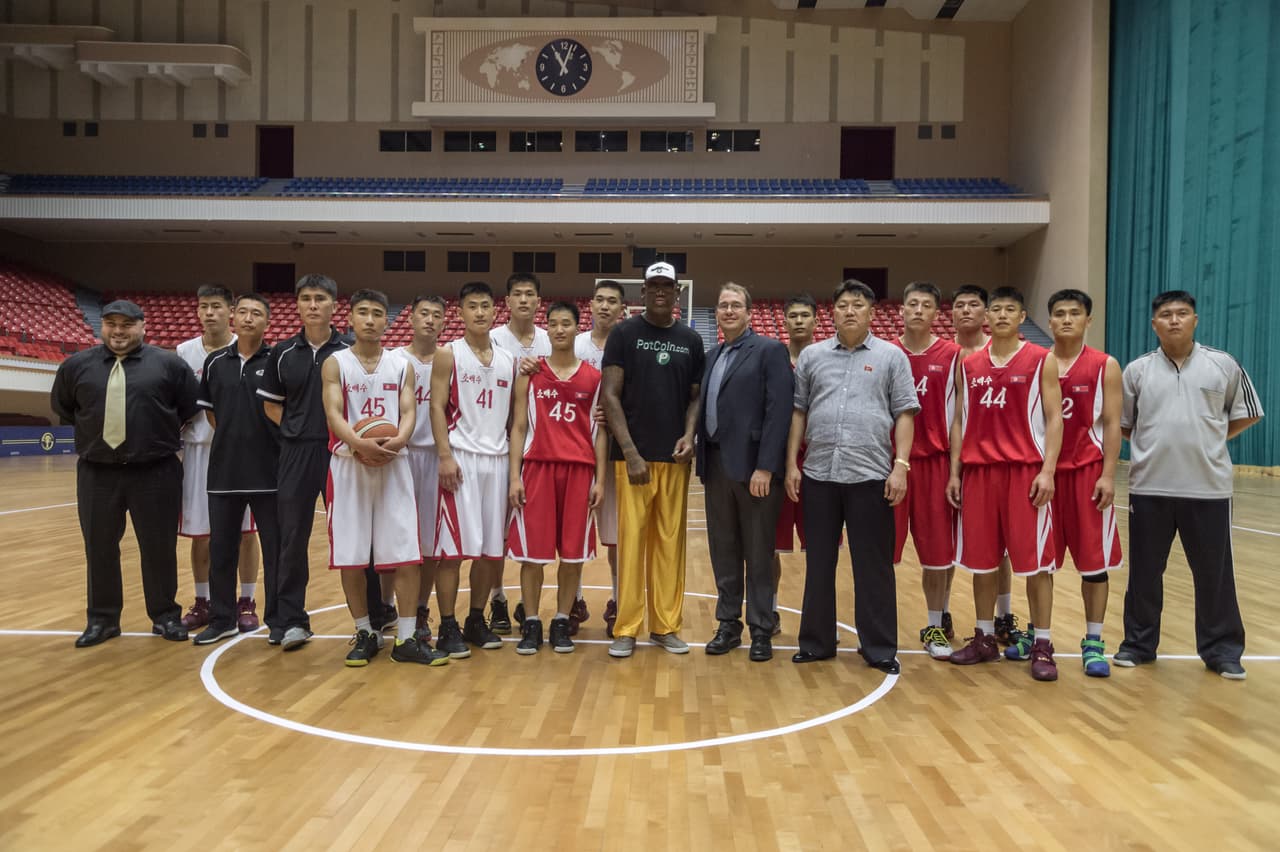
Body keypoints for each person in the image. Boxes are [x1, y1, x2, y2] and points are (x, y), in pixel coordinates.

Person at [1115, 290, 1263, 680]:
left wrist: (1210, 439)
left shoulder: (1222, 364)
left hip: (1208, 489)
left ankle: (1222, 651)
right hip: (1150, 488)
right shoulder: (1137, 371)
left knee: (1215, 575)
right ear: (1154, 324)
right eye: (1166, 315)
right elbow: (1125, 425)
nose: (1175, 320)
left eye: (1182, 313)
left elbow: (1247, 413)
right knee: (1145, 574)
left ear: (1195, 320)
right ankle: (1138, 645)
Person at [786, 280, 917, 673]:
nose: (849, 311)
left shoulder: (892, 357)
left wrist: (901, 465)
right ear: (833, 312)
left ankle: (879, 648)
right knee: (818, 563)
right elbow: (799, 412)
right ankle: (816, 642)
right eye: (842, 305)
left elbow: (905, 413)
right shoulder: (812, 356)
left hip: (871, 475)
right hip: (819, 474)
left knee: (873, 566)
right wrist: (792, 463)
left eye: (857, 305)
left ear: (872, 313)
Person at [51, 299, 200, 647]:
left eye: (127, 324)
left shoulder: (169, 365)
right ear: (102, 326)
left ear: (143, 326)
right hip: (97, 472)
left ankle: (165, 616)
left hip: (156, 470)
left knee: (159, 547)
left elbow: (188, 408)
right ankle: (102, 620)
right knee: (99, 547)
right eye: (111, 324)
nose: (118, 331)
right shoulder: (76, 366)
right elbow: (65, 408)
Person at [321, 289, 448, 667]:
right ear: (350, 319)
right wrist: (359, 443)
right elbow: (333, 413)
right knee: (352, 557)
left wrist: (397, 441)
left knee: (407, 554)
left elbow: (409, 412)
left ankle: (406, 637)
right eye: (363, 312)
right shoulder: (335, 363)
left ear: (387, 321)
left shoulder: (400, 365)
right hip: (349, 465)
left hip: (394, 463)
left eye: (378, 313)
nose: (371, 319)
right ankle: (365, 631)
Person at [947, 287, 1063, 681]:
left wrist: (1048, 471)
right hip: (980, 473)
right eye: (995, 309)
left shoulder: (1041, 359)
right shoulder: (969, 364)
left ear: (1021, 316)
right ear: (986, 317)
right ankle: (983, 638)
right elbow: (959, 420)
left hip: (1024, 472)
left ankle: (1042, 643)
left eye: (1009, 309)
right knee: (982, 562)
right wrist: (956, 472)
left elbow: (1054, 419)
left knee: (1037, 564)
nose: (1000, 315)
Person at [601, 261, 704, 658]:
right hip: (633, 462)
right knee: (630, 546)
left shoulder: (690, 339)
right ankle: (626, 628)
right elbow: (610, 395)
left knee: (669, 545)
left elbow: (695, 397)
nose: (661, 291)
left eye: (667, 286)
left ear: (677, 292)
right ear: (642, 292)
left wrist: (689, 436)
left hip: (675, 460)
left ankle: (665, 626)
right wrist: (630, 453)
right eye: (654, 285)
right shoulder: (623, 334)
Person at [697, 283, 793, 662]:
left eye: (736, 305)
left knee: (758, 552)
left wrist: (766, 466)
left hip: (755, 469)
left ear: (750, 313)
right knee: (723, 549)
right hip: (716, 464)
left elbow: (779, 412)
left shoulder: (769, 351)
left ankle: (761, 628)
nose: (728, 311)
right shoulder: (712, 355)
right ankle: (728, 624)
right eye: (723, 305)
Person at [257, 274, 351, 650]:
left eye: (320, 298)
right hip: (296, 453)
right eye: (307, 298)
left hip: (341, 452)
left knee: (354, 532)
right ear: (297, 304)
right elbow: (271, 405)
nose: (313, 305)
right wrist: (297, 428)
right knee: (291, 537)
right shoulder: (282, 352)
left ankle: (374, 616)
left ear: (334, 306)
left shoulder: (349, 350)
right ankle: (290, 619)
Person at [508, 301, 608, 655]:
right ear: (546, 329)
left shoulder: (594, 378)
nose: (560, 329)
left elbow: (600, 432)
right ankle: (532, 622)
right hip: (538, 468)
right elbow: (518, 427)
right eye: (553, 324)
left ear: (577, 328)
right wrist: (514, 476)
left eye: (566, 323)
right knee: (532, 556)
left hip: (579, 471)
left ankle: (562, 620)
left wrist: (600, 479)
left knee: (572, 555)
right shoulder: (531, 372)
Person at [429, 281, 517, 658]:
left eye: (485, 306)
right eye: (472, 306)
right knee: (452, 551)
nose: (479, 312)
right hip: (462, 458)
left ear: (495, 311)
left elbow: (515, 419)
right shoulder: (448, 354)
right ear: (460, 312)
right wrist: (444, 455)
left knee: (490, 552)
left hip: (498, 461)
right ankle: (447, 624)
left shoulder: (509, 360)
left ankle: (476, 619)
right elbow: (436, 407)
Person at [190, 294, 282, 646]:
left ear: (267, 322)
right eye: (242, 311)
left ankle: (278, 621)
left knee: (275, 550)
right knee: (222, 550)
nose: (247, 318)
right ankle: (222, 618)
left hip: (269, 469)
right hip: (224, 471)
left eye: (256, 313)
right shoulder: (215, 362)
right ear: (234, 317)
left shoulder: (276, 360)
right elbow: (212, 414)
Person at [1043, 289, 1123, 677]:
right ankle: (1039, 637)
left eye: (1075, 313)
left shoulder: (1105, 365)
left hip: (1087, 473)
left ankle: (1093, 640)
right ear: (1049, 321)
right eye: (1059, 313)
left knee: (1093, 563)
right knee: (1040, 562)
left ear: (1088, 320)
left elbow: (1113, 423)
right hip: (1043, 474)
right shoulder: (1038, 362)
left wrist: (1108, 474)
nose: (1067, 319)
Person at [176, 285, 261, 633]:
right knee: (201, 534)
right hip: (198, 450)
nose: (209, 312)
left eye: (216, 306)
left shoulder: (248, 348)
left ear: (231, 311)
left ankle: (247, 600)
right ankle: (204, 601)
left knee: (246, 532)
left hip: (241, 453)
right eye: (203, 306)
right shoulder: (183, 352)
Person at [892, 282, 961, 660]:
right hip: (889, 466)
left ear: (937, 313)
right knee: (880, 554)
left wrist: (955, 471)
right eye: (913, 304)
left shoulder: (952, 356)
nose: (918, 310)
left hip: (935, 464)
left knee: (937, 556)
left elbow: (958, 420)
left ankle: (935, 625)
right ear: (901, 310)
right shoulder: (886, 353)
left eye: (926, 305)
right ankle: (879, 627)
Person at [951, 284, 1022, 645]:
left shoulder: (1007, 354)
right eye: (959, 305)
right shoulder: (947, 353)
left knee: (1002, 548)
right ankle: (942, 614)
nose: (966, 310)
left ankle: (1003, 615)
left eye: (974, 304)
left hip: (1002, 461)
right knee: (950, 547)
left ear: (985, 312)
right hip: (955, 458)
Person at [488, 271, 552, 634]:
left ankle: (535, 604)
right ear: (508, 301)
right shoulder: (493, 339)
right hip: (499, 441)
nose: (524, 299)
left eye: (530, 294)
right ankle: (497, 597)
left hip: (540, 445)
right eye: (518, 294)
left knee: (538, 530)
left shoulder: (550, 338)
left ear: (538, 302)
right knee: (497, 529)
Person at [575, 279, 626, 636]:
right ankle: (574, 599)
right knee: (574, 532)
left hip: (615, 452)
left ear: (622, 309)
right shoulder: (573, 343)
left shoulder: (628, 344)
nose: (605, 306)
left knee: (616, 537)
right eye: (600, 300)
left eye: (612, 301)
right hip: (575, 448)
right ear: (590, 305)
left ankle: (618, 599)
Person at [398, 295, 448, 645]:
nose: (430, 320)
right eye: (424, 314)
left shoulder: (450, 360)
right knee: (396, 539)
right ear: (410, 318)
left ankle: (419, 608)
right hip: (399, 456)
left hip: (435, 456)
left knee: (429, 544)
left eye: (436, 315)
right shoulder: (394, 360)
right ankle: (388, 606)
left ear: (444, 322)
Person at [770, 293, 819, 636]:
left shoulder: (828, 359)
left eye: (805, 315)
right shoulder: (773, 361)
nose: (799, 321)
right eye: (793, 316)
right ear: (784, 321)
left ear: (816, 320)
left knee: (820, 547)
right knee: (768, 547)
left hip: (818, 463)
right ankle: (769, 612)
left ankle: (819, 616)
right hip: (777, 463)